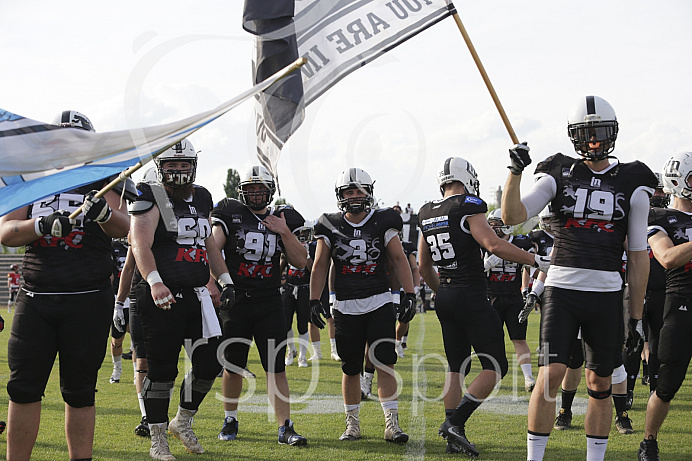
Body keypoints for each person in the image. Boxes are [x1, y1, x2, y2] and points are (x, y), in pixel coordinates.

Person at [500, 95, 656, 461]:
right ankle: (534, 457)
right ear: (574, 136)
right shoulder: (559, 170)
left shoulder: (634, 178)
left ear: (613, 132)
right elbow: (513, 216)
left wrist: (635, 317)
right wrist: (514, 172)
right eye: (587, 134)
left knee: (599, 383)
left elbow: (637, 254)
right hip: (563, 289)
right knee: (551, 374)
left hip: (606, 292)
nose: (595, 142)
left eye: (600, 133)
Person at [0, 110, 132, 460]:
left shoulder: (107, 175)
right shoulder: (33, 174)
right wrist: (40, 226)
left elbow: (125, 229)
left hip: (87, 298)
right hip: (36, 295)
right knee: (23, 388)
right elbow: (7, 232)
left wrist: (103, 213)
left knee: (80, 391)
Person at [418, 157, 549, 456]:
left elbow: (424, 267)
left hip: (446, 294)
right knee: (496, 365)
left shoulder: (426, 212)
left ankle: (454, 434)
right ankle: (455, 424)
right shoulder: (468, 205)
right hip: (471, 293)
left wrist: (444, 294)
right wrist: (535, 260)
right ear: (466, 177)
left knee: (456, 366)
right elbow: (493, 244)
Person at [130, 139, 231, 459]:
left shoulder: (202, 196)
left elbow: (208, 245)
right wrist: (155, 282)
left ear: (193, 165)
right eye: (171, 165)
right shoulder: (150, 194)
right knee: (162, 371)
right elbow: (140, 244)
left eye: (183, 164)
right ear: (160, 168)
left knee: (210, 361)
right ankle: (158, 438)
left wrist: (225, 280)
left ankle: (183, 420)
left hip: (197, 295)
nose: (177, 170)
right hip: (164, 297)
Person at [310, 167, 415, 444]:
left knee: (384, 362)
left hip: (379, 300)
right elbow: (321, 264)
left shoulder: (384, 220)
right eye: (349, 191)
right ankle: (352, 424)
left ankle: (391, 424)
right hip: (345, 305)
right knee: (350, 367)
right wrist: (315, 299)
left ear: (369, 192)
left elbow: (399, 258)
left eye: (359, 190)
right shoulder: (328, 223)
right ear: (340, 195)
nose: (354, 196)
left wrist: (409, 293)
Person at [212, 165, 308, 446]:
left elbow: (301, 261)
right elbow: (213, 248)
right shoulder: (230, 213)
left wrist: (285, 232)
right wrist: (215, 282)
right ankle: (230, 418)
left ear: (270, 190)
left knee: (276, 366)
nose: (255, 193)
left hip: (269, 301)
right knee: (233, 364)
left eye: (260, 188)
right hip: (236, 299)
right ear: (242, 191)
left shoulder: (283, 216)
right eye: (250, 188)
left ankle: (285, 427)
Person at [638, 152, 692, 461]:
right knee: (668, 383)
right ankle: (649, 442)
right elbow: (668, 258)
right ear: (677, 181)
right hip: (681, 303)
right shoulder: (659, 217)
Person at [484, 208, 537, 392]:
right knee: (493, 338)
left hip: (514, 297)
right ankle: (493, 377)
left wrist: (527, 289)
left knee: (519, 339)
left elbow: (530, 267)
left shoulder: (521, 242)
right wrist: (485, 264)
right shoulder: (483, 244)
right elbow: (473, 270)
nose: (492, 228)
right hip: (491, 297)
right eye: (491, 225)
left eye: (496, 225)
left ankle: (528, 378)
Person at [282, 222, 313, 368]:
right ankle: (291, 350)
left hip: (304, 288)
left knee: (302, 324)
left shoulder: (312, 247)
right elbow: (281, 263)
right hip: (288, 288)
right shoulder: (287, 244)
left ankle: (302, 356)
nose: (302, 236)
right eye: (299, 233)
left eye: (304, 233)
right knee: (285, 323)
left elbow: (313, 270)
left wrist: (305, 255)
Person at [109, 237, 130, 384]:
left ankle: (138, 372)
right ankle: (117, 369)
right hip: (118, 296)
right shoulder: (112, 246)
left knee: (139, 336)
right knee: (117, 340)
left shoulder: (139, 240)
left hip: (136, 295)